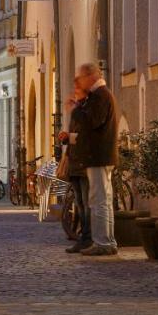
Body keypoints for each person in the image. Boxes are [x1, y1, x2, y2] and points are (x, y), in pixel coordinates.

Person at [69, 62, 119, 257]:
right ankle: (107, 240)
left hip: (98, 156)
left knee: (98, 200)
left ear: (90, 76)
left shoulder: (100, 96)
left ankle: (102, 242)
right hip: (100, 156)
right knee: (103, 200)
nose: (79, 82)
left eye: (81, 78)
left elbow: (93, 121)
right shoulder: (100, 95)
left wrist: (76, 109)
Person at [59, 76, 91, 254]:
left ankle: (87, 238)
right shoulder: (78, 110)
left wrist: (69, 136)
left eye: (77, 90)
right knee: (80, 203)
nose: (74, 93)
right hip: (75, 163)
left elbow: (86, 135)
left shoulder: (85, 110)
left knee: (86, 203)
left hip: (83, 163)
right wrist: (66, 137)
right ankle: (83, 237)